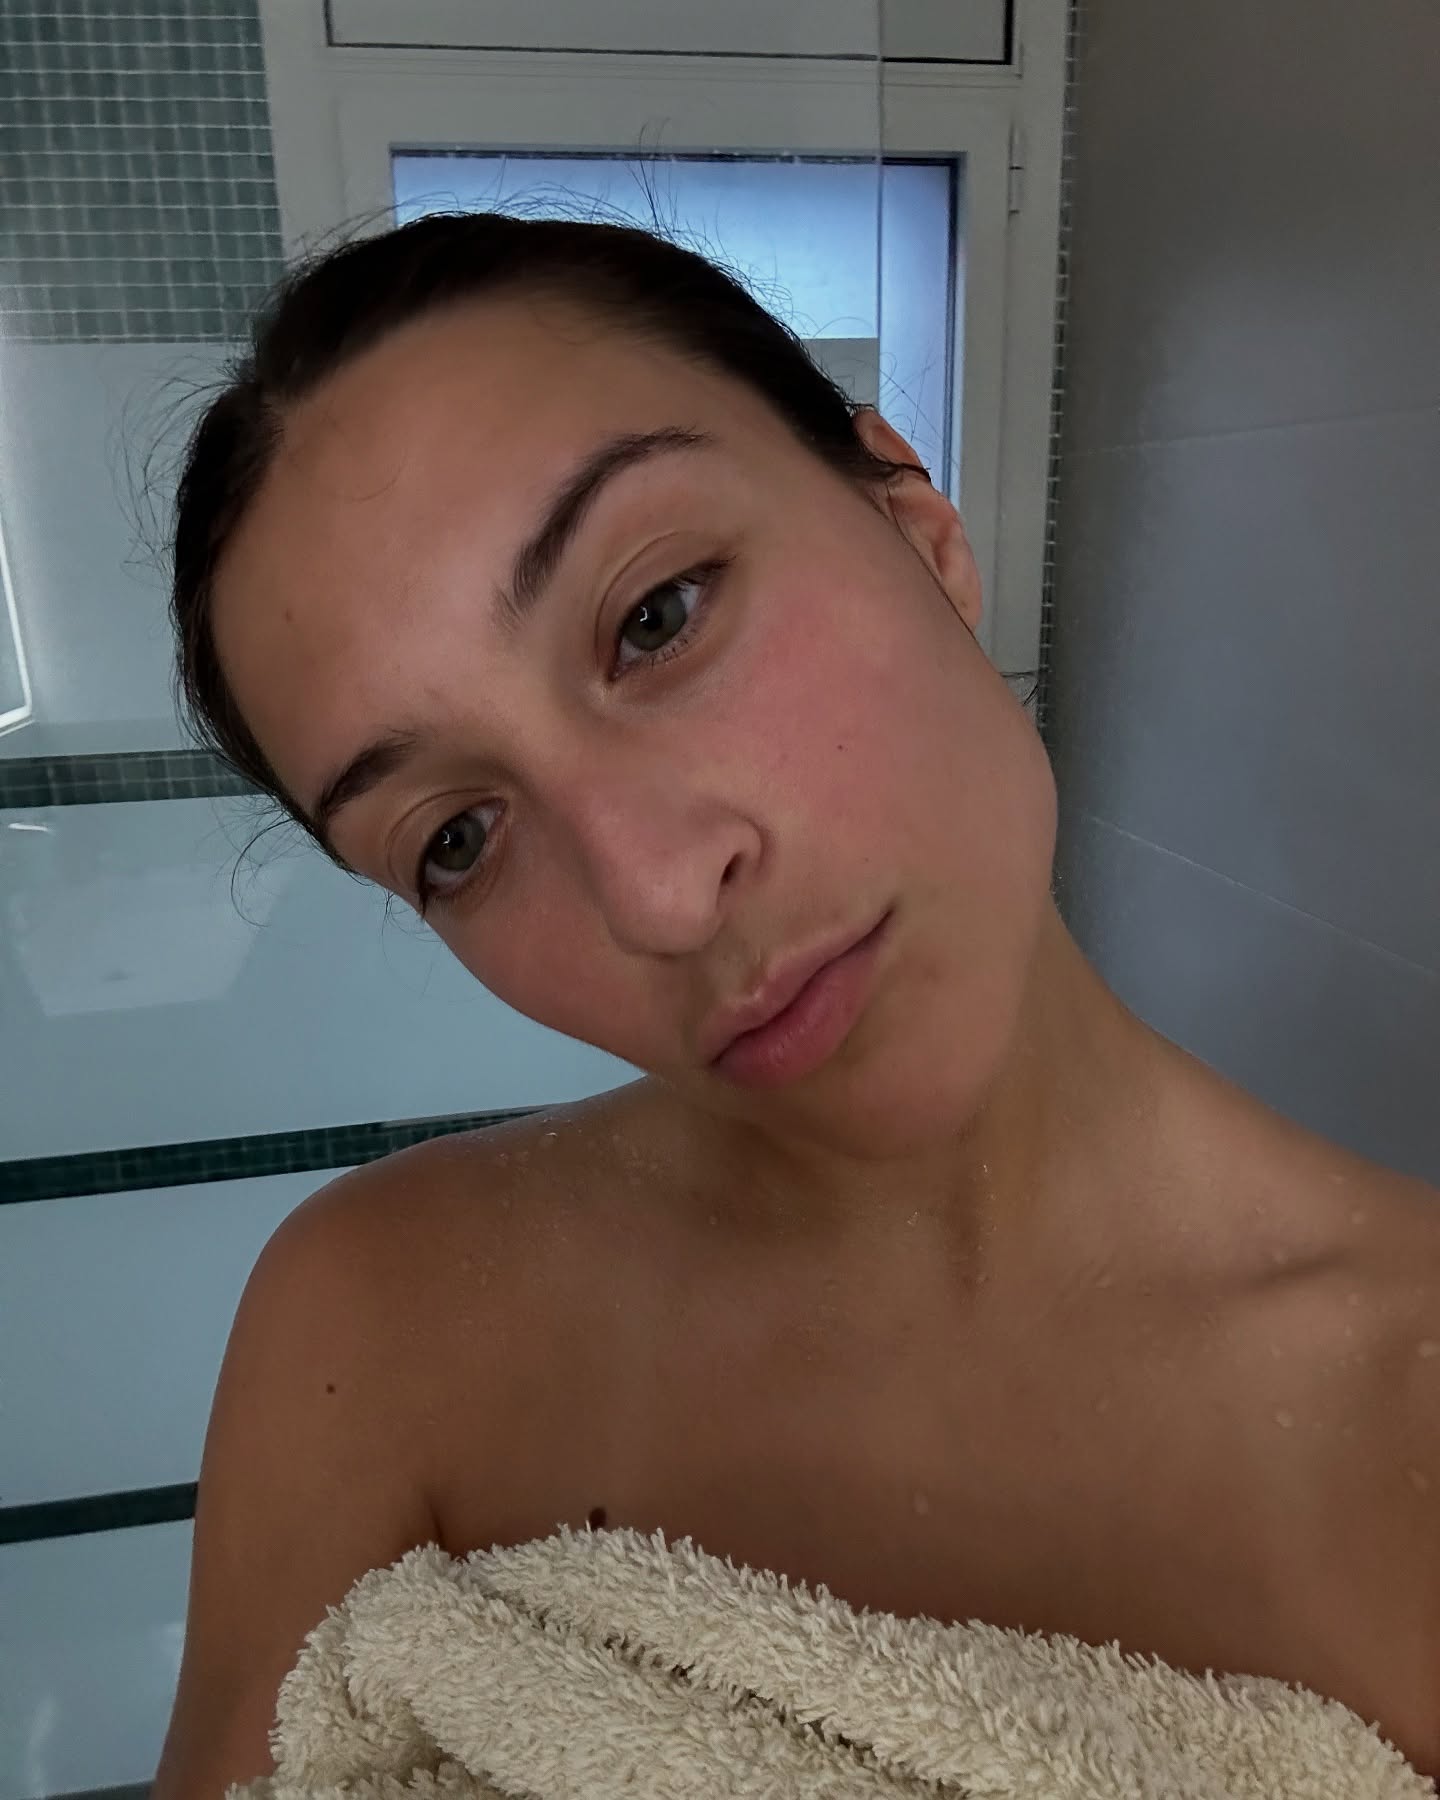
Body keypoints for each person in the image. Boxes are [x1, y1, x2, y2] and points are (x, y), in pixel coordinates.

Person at [151, 213, 1440, 1794]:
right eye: (459, 841)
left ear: (918, 529)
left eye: (658, 616)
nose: (659, 895)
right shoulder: (370, 1330)